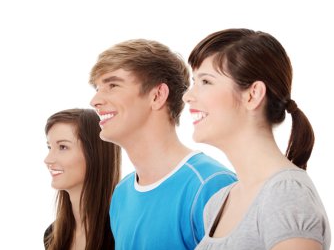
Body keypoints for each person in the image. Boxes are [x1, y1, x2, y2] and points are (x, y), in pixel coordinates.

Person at [183, 28, 331, 250]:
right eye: (194, 81)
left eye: (205, 81)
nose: (187, 96)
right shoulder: (218, 204)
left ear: (253, 95)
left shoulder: (286, 194)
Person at [89, 39, 237, 250]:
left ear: (157, 96)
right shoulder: (121, 194)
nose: (94, 100)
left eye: (112, 85)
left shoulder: (212, 186)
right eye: (97, 88)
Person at [43, 108, 121, 250]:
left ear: (95, 154)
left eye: (63, 147)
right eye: (49, 147)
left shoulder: (121, 233)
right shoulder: (52, 235)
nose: (48, 159)